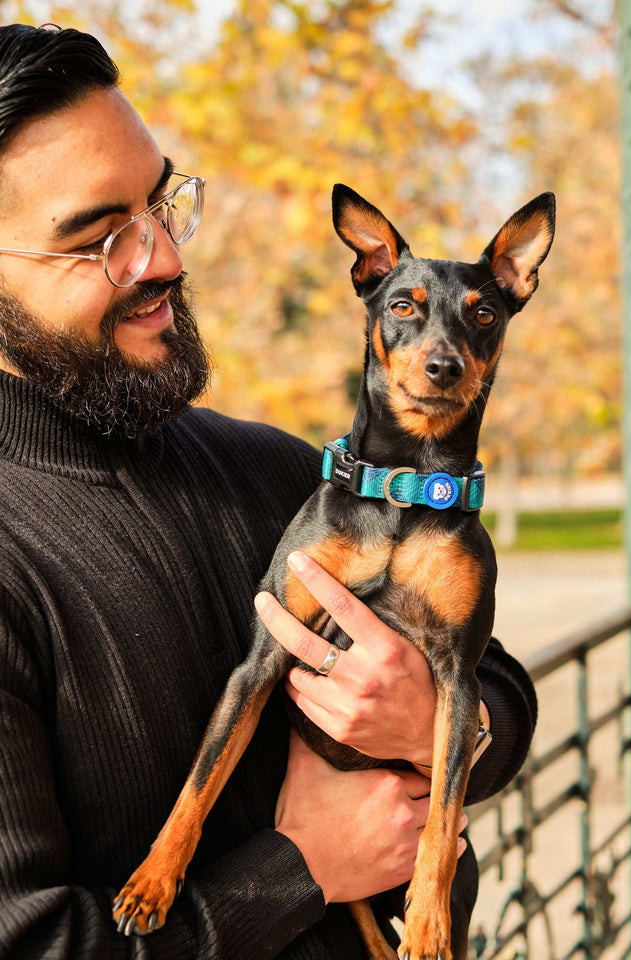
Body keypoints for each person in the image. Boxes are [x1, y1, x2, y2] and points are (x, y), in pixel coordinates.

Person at [0, 23, 537, 960]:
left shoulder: (285, 470)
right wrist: (302, 867)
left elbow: (497, 685)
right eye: (99, 239)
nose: (163, 257)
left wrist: (436, 721)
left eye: (162, 205)